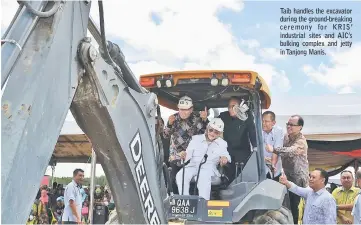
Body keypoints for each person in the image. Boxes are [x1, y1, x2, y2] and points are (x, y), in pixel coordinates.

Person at [265, 115, 309, 224]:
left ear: (300, 127)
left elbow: (290, 151)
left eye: (292, 125)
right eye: (288, 124)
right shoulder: (286, 137)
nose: (289, 126)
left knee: (294, 205)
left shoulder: (301, 141)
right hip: (286, 176)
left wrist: (274, 149)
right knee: (285, 204)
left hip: (298, 178)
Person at [176, 118, 231, 200]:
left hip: (208, 168)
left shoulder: (222, 143)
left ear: (220, 134)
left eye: (216, 132)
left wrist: (224, 158)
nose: (212, 133)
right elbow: (188, 154)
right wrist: (183, 155)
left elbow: (226, 155)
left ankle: (204, 203)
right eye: (211, 130)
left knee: (203, 176)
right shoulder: (195, 139)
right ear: (207, 128)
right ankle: (185, 201)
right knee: (181, 175)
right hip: (193, 166)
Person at [164, 95, 208, 193]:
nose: (183, 112)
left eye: (186, 110)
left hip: (191, 157)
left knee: (191, 182)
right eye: (181, 109)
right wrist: (169, 125)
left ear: (191, 109)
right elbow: (165, 135)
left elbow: (206, 135)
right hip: (175, 156)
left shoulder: (197, 119)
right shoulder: (173, 118)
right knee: (173, 182)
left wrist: (205, 120)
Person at [217, 96, 257, 183]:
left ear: (240, 107)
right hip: (227, 152)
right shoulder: (223, 116)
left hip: (243, 152)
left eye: (233, 106)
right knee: (228, 177)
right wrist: (205, 119)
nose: (230, 109)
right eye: (229, 106)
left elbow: (252, 133)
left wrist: (256, 148)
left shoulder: (247, 117)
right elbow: (212, 126)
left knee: (242, 178)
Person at [262, 111, 284, 181]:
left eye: (266, 121)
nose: (263, 123)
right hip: (261, 169)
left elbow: (277, 150)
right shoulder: (257, 130)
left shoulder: (279, 131)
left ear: (273, 123)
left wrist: (273, 164)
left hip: (275, 169)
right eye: (262, 121)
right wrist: (262, 158)